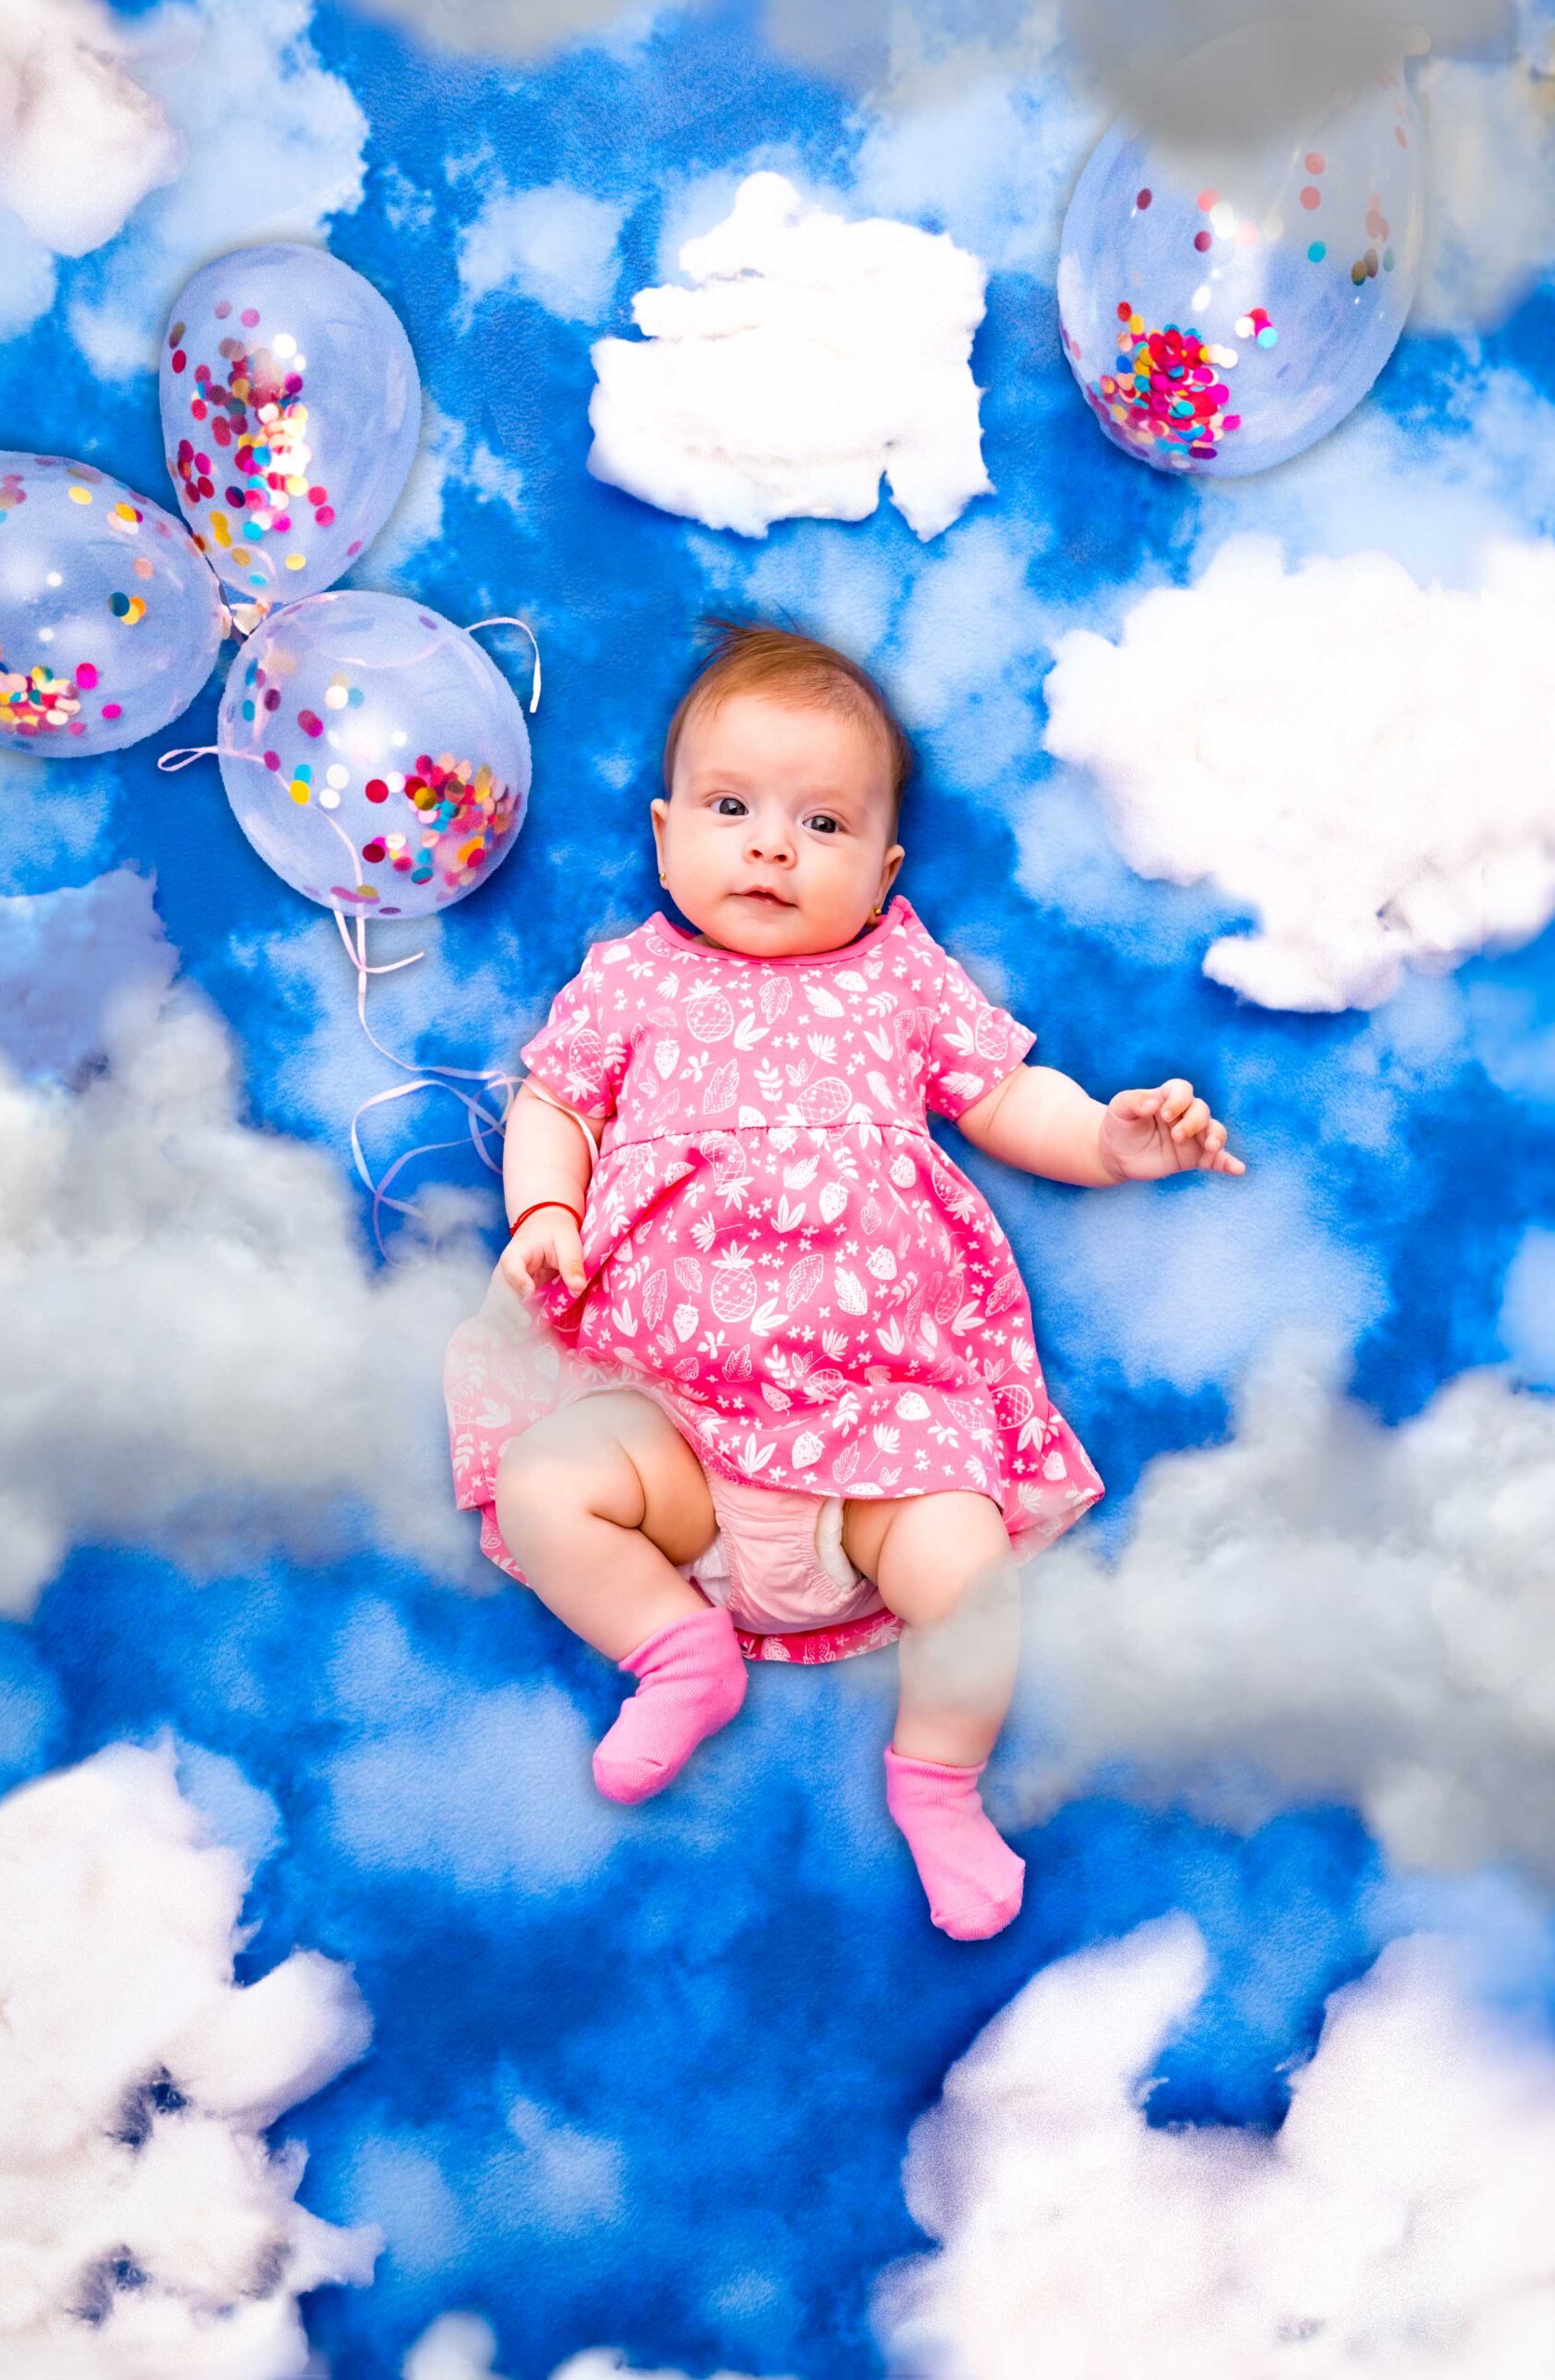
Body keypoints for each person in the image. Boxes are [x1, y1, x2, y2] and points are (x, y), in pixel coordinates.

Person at [443, 619, 1245, 1939]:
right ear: (663, 838)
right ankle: (675, 1652)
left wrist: (1113, 1139)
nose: (771, 847)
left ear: (884, 872)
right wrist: (545, 1209)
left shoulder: (898, 976)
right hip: (676, 1427)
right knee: (543, 1482)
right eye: (731, 810)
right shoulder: (631, 980)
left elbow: (1007, 1096)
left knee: (966, 1575)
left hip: (881, 1428)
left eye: (822, 825)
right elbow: (556, 1102)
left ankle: (939, 1786)